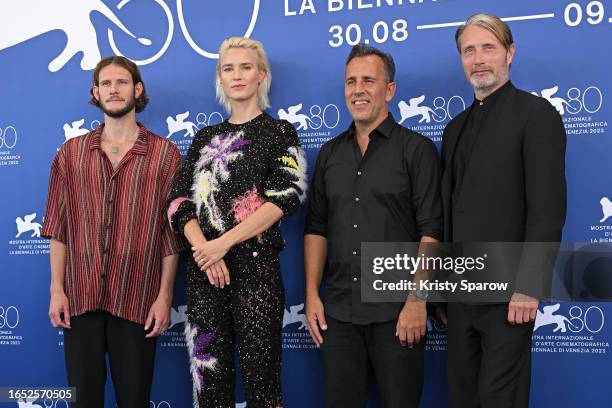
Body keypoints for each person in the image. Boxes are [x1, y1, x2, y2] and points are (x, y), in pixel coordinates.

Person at [167, 37, 307, 408]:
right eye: (228, 68)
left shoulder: (280, 133)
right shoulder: (204, 138)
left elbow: (284, 198)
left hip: (256, 274)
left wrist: (222, 244)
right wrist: (205, 250)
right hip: (204, 274)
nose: (237, 75)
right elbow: (179, 204)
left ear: (261, 75)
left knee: (263, 385)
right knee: (209, 387)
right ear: (220, 78)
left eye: (246, 67)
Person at [304, 43, 443, 408]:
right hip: (337, 313)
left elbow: (432, 231)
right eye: (351, 81)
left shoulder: (418, 150)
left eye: (369, 80)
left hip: (397, 313)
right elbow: (316, 227)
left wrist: (417, 303)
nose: (358, 89)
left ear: (390, 90)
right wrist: (312, 294)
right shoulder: (330, 154)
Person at [42, 56, 183, 408]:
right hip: (80, 299)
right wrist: (57, 291)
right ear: (95, 92)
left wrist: (164, 297)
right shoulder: (71, 154)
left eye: (122, 82)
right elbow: (58, 227)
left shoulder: (165, 156)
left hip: (137, 299)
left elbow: (170, 236)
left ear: (137, 90)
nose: (114, 90)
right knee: (83, 401)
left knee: (134, 400)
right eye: (106, 84)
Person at [441, 14, 566, 408]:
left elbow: (547, 207)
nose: (478, 59)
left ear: (510, 53)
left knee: (500, 400)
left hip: (510, 295)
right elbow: (450, 211)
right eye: (469, 50)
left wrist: (529, 284)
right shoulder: (454, 128)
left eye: (488, 48)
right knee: (462, 398)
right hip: (460, 296)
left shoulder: (536, 115)